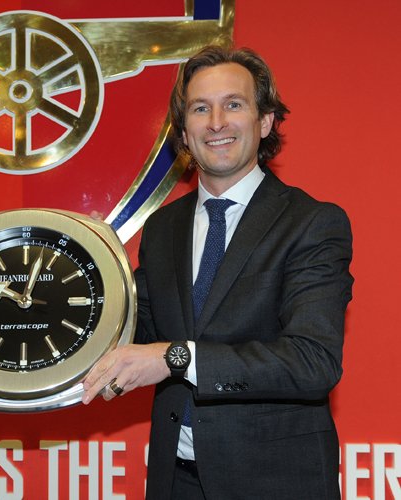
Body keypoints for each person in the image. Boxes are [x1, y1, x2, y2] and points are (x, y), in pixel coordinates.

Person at [82, 45, 353, 499]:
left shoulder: (311, 222)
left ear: (265, 121)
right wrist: (79, 261)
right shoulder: (163, 228)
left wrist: (177, 357)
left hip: (276, 482)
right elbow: (130, 330)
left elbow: (313, 361)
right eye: (200, 108)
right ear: (184, 132)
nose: (216, 123)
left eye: (234, 104)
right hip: (176, 479)